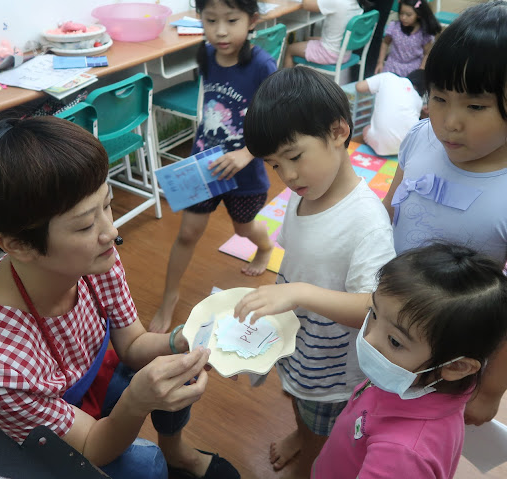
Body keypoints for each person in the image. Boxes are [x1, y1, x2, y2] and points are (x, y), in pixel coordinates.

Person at [0, 117, 239, 479]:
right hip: (32, 446)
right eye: (85, 225)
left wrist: (179, 339)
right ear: (18, 245)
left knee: (181, 369)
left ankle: (176, 451)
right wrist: (136, 401)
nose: (111, 231)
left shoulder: (93, 259)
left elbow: (132, 344)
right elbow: (90, 446)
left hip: (89, 385)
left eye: (108, 204)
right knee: (145, 466)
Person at [381, 1, 507, 426]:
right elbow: (386, 215)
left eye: (475, 106)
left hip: (449, 350)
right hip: (383, 321)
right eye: (439, 97)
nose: (449, 122)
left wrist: (491, 391)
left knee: (414, 432)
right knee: (365, 409)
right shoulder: (420, 139)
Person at [241, 66, 397, 478]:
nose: (287, 175)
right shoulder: (303, 194)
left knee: (321, 427)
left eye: (294, 157)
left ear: (338, 132)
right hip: (298, 339)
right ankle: (302, 434)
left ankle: (309, 458)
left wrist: (298, 294)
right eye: (275, 165)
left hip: (332, 367)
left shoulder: (366, 222)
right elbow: (301, 261)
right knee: (296, 396)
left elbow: (372, 309)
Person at [312, 243, 507, 479]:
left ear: (456, 366)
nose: (369, 338)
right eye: (373, 313)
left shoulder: (402, 454)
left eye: (395, 341)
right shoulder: (410, 379)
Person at [149, 0, 277, 333]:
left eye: (231, 20)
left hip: (246, 174)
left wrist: (246, 153)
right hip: (204, 167)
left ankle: (265, 247)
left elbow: (276, 122)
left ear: (252, 20)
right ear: (200, 20)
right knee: (187, 233)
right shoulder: (206, 55)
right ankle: (170, 297)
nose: (220, 31)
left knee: (243, 229)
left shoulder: (263, 66)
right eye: (210, 20)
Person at [356, 68, 425, 156]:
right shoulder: (418, 99)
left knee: (366, 129)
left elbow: (359, 87)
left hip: (380, 144)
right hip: (406, 148)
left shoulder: (387, 77)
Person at [283, 0, 364, 68]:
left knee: (290, 49)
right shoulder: (356, 3)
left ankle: (286, 82)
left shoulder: (336, 2)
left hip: (330, 54)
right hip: (345, 53)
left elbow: (306, 5)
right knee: (307, 38)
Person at [375, 0, 441, 77]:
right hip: (392, 66)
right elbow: (385, 43)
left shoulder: (424, 33)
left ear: (418, 14)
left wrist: (421, 69)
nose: (403, 17)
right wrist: (380, 62)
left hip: (413, 68)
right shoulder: (394, 27)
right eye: (401, 13)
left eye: (408, 15)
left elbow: (427, 54)